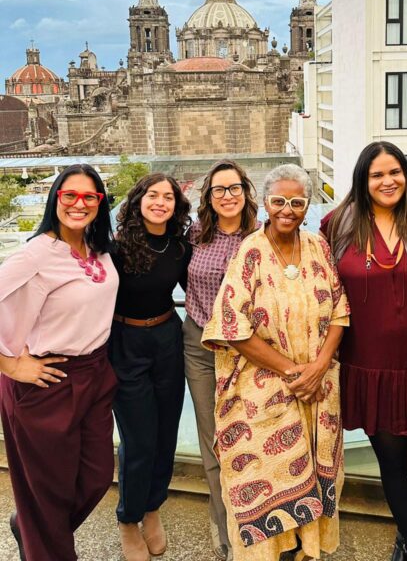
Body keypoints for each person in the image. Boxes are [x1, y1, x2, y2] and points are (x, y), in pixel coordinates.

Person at [202, 164, 350, 561]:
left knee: (315, 476)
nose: (288, 209)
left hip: (317, 388)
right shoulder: (250, 251)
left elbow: (340, 310)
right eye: (279, 201)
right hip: (263, 389)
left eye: (297, 202)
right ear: (266, 204)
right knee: (267, 478)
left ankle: (307, 551)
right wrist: (292, 370)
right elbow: (232, 326)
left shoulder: (318, 246)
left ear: (307, 206)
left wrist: (317, 368)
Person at [321, 141, 407, 561]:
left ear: (406, 175)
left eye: (395, 172)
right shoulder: (338, 225)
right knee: (393, 463)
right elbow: (319, 288)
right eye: (377, 174)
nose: (387, 181)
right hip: (368, 367)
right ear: (363, 179)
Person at [0, 164, 118, 561]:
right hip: (46, 383)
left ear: (100, 203)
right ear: (56, 199)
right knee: (48, 495)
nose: (79, 204)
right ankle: (41, 539)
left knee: (97, 476)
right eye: (70, 195)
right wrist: (10, 365)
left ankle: (30, 527)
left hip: (95, 375)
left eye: (89, 197)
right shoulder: (35, 254)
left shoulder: (97, 248)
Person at [109, 173, 192, 561]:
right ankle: (129, 518)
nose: (160, 202)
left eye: (168, 197)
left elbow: (201, 290)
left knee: (165, 434)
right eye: (153, 195)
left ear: (176, 206)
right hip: (126, 343)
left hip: (167, 339)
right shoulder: (116, 247)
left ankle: (153, 507)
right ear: (139, 200)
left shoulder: (180, 247)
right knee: (139, 439)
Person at [184, 160, 259, 561]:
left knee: (249, 437)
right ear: (209, 197)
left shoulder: (261, 236)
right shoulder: (195, 234)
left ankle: (256, 524)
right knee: (213, 438)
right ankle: (225, 526)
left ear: (245, 192)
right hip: (199, 345)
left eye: (234, 188)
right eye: (219, 189)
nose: (227, 196)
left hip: (248, 350)